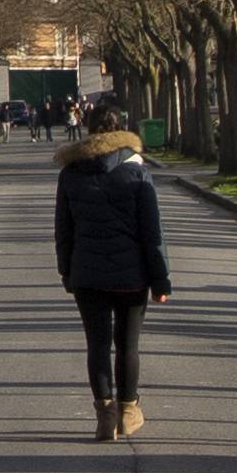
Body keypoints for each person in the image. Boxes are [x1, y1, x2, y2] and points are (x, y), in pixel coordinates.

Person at [52, 95, 171, 439]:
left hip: (87, 273)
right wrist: (160, 278)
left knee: (97, 344)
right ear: (121, 130)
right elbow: (153, 233)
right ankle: (128, 410)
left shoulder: (71, 174)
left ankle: (104, 412)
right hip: (132, 276)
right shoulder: (137, 174)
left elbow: (63, 230)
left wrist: (67, 271)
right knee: (128, 344)